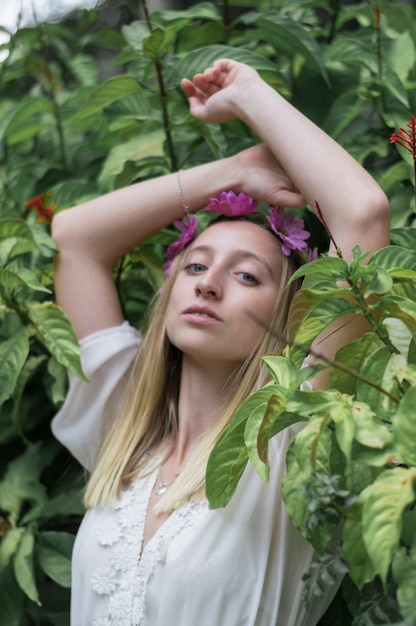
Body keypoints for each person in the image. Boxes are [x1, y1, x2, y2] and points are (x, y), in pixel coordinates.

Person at [51, 59, 390, 626]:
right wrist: (232, 173)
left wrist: (250, 93)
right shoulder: (123, 429)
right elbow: (76, 240)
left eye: (247, 276)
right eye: (196, 265)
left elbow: (363, 216)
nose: (208, 282)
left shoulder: (293, 437)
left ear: (290, 314)